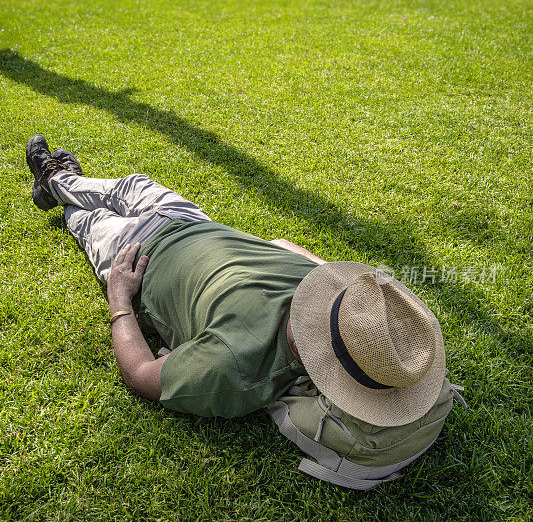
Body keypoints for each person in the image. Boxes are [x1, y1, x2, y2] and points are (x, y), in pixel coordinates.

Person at [26, 134, 455, 489]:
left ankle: (57, 182)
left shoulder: (236, 367)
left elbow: (140, 375)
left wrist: (119, 298)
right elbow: (287, 246)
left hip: (135, 256)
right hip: (192, 221)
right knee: (130, 185)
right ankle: (60, 177)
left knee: (85, 217)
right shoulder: (335, 293)